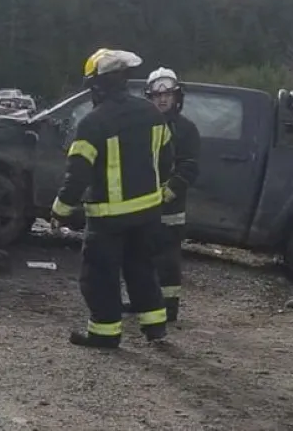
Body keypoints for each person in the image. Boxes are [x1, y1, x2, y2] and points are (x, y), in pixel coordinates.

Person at [50, 48, 173, 349]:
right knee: (142, 268)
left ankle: (105, 334)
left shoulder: (93, 123)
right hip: (148, 212)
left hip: (108, 218)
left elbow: (77, 174)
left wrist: (60, 210)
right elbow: (166, 159)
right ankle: (155, 327)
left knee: (100, 275)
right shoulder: (151, 113)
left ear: (97, 86)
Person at [122, 67, 200, 322]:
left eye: (168, 94)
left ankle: (169, 307)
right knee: (139, 257)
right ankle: (141, 302)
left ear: (177, 97)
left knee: (167, 261)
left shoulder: (186, 129)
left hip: (170, 208)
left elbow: (189, 167)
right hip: (142, 205)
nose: (163, 99)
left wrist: (169, 192)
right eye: (158, 95)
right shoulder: (141, 126)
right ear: (150, 97)